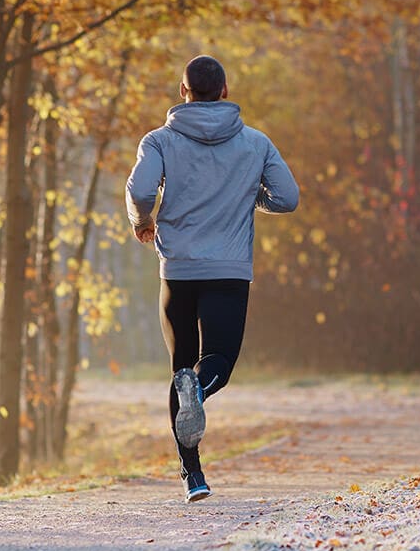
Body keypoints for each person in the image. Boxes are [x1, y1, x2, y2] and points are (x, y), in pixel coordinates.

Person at [125, 54, 299, 502]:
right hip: (228, 270)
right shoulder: (256, 143)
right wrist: (248, 196)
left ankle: (193, 475)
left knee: (181, 365)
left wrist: (142, 221)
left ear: (183, 93)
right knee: (216, 359)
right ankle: (198, 391)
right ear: (224, 91)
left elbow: (141, 190)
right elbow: (288, 197)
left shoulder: (159, 141)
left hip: (178, 270)